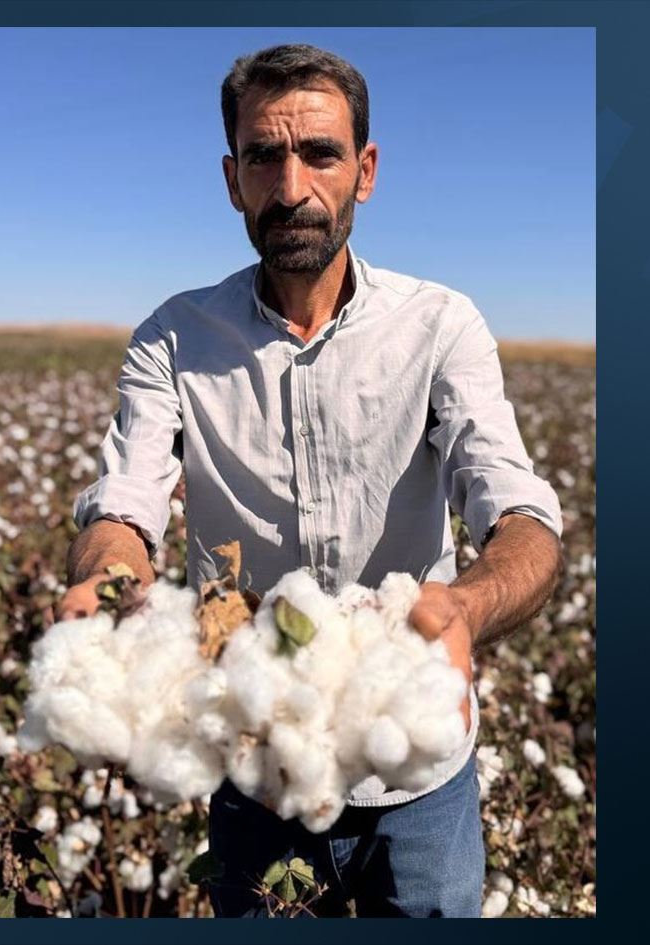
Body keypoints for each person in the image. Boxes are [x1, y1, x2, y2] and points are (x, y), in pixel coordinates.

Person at [58, 43, 563, 917]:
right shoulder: (174, 341)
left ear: (364, 171)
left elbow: (518, 514)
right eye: (264, 157)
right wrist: (108, 583)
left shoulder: (440, 326)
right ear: (232, 178)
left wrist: (465, 610)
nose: (291, 187)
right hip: (261, 773)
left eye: (320, 154)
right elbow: (126, 508)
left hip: (419, 776)